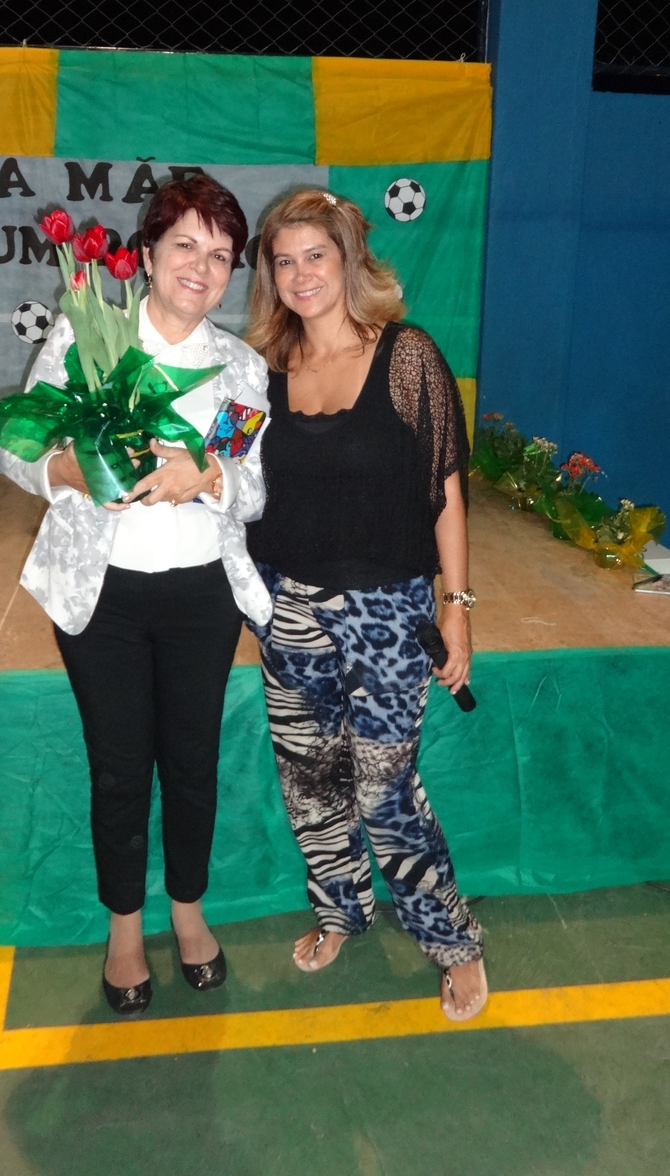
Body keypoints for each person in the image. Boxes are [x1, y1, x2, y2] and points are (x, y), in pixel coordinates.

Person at [0, 175, 271, 1016]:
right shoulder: (87, 340)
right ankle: (124, 927)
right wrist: (67, 471)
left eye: (220, 255)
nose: (202, 267)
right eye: (185, 244)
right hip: (102, 598)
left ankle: (187, 910)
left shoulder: (240, 369)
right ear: (146, 254)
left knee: (191, 761)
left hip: (202, 598)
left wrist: (210, 474)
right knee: (119, 768)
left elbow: (253, 488)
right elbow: (16, 448)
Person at [245, 187, 487, 1023]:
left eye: (316, 254)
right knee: (311, 781)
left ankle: (451, 939)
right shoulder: (262, 369)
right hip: (286, 606)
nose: (300, 273)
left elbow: (446, 490)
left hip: (387, 611)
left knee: (386, 789)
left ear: (350, 259)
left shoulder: (408, 355)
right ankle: (341, 911)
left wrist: (456, 605)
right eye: (284, 260)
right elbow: (222, 468)